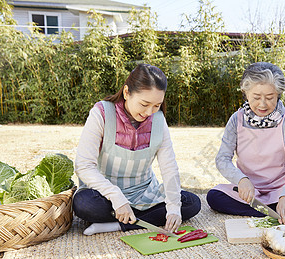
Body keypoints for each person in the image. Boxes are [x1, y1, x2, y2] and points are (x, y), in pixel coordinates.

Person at [73, 63, 201, 235]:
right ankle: (138, 217)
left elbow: (169, 167)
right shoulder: (101, 113)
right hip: (105, 194)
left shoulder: (158, 119)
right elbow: (83, 165)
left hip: (145, 193)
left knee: (191, 203)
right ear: (126, 93)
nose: (150, 112)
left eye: (156, 105)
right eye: (144, 104)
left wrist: (173, 208)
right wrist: (116, 196)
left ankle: (119, 225)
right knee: (83, 204)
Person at [207, 62, 285, 225]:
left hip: (282, 185)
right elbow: (222, 159)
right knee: (214, 198)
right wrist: (241, 180)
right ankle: (279, 209)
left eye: (270, 97)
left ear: (278, 94)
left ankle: (278, 205)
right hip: (249, 190)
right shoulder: (237, 119)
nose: (262, 104)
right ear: (246, 93)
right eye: (256, 97)